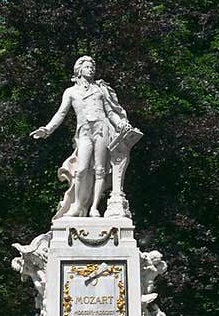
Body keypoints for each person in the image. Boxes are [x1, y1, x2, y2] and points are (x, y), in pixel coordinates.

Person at [30, 56, 141, 218]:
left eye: (92, 67)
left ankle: (94, 207)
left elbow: (110, 113)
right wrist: (47, 129)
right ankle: (77, 206)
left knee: (100, 170)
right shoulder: (71, 92)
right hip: (84, 133)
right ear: (79, 70)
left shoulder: (100, 90)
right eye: (87, 67)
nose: (91, 69)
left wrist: (121, 124)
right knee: (81, 169)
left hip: (102, 130)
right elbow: (60, 114)